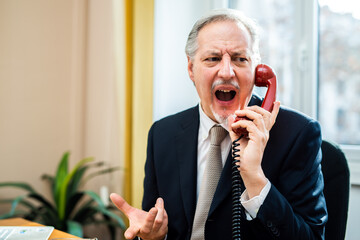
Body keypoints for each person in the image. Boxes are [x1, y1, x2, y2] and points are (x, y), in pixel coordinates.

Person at [110, 8, 328, 240]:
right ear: (191, 68)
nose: (226, 72)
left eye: (239, 59)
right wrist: (154, 236)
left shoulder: (297, 134)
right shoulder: (162, 134)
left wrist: (254, 178)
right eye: (212, 58)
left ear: (258, 71)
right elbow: (157, 224)